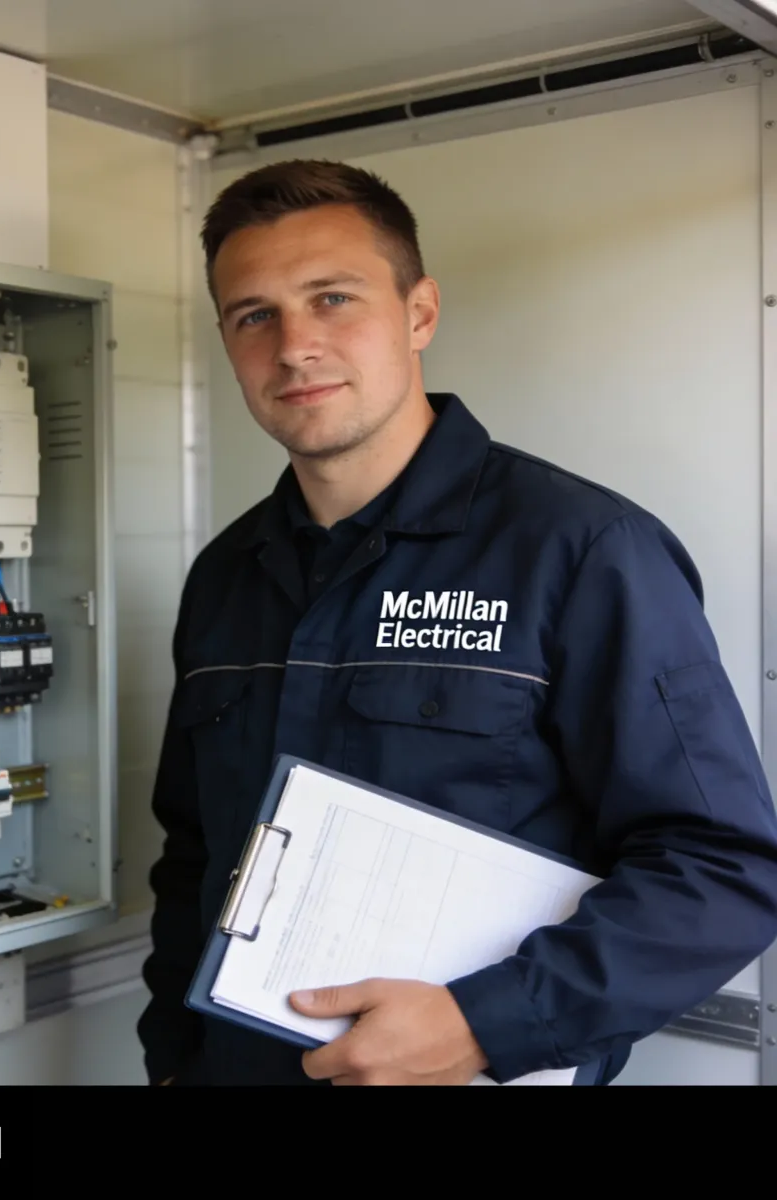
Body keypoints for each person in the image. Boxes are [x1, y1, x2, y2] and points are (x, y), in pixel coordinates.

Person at [136, 157, 777, 1087]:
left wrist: (487, 1025)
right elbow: (192, 859)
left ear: (420, 313)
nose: (294, 346)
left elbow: (723, 868)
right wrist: (171, 1062)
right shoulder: (226, 579)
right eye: (254, 315)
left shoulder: (581, 551)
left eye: (333, 299)